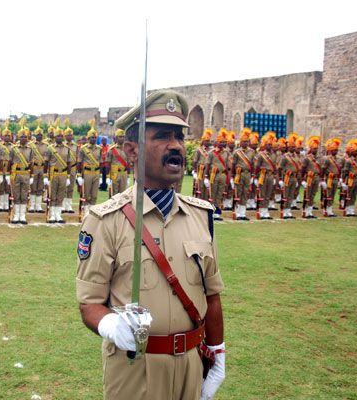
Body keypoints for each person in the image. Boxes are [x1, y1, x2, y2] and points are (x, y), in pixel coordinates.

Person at [76, 90, 225, 400]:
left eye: (180, 137)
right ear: (132, 150)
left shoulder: (201, 215)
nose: (175, 146)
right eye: (162, 137)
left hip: (191, 366)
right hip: (135, 370)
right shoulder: (106, 221)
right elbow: (89, 303)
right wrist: (111, 326)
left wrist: (218, 352)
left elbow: (212, 295)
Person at [204, 128, 232, 220]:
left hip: (223, 175)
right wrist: (206, 177)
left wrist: (229, 177)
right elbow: (207, 165)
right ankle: (211, 212)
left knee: (220, 194)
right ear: (217, 142)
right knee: (213, 194)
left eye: (225, 142)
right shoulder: (212, 153)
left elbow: (228, 166)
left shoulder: (227, 153)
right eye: (222, 142)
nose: (224, 144)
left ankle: (217, 213)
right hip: (213, 175)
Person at [9, 123, 34, 224]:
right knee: (16, 194)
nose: (23, 138)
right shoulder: (14, 148)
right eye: (22, 136)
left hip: (26, 173)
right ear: (19, 137)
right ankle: (16, 215)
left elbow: (32, 163)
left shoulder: (30, 149)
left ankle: (22, 215)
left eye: (25, 136)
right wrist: (8, 175)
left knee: (24, 195)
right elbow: (10, 162)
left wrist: (31, 175)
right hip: (16, 173)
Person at [45, 129, 71, 223]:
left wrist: (68, 176)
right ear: (55, 137)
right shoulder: (50, 148)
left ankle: (58, 214)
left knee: (61, 194)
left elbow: (68, 163)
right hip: (53, 173)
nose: (59, 137)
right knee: (53, 194)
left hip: (63, 174)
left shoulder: (67, 148)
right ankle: (52, 215)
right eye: (57, 136)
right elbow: (46, 163)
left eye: (60, 136)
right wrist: (46, 176)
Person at [77, 120, 103, 216]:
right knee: (87, 194)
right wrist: (79, 175)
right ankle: (87, 211)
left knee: (94, 194)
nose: (94, 139)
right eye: (92, 137)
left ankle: (92, 210)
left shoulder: (99, 149)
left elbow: (101, 162)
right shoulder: (83, 149)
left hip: (96, 173)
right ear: (88, 138)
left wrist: (101, 176)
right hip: (87, 172)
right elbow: (79, 162)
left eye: (95, 137)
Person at [253, 131, 277, 220]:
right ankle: (261, 211)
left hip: (270, 176)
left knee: (268, 194)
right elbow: (257, 167)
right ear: (265, 145)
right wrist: (255, 177)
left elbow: (274, 167)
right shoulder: (261, 155)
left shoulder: (274, 155)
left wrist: (274, 177)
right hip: (263, 175)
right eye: (268, 144)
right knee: (262, 194)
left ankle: (265, 211)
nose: (270, 146)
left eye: (271, 144)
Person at [232, 128, 254, 220]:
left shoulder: (252, 152)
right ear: (240, 142)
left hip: (247, 174)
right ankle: (237, 213)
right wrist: (232, 177)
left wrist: (252, 176)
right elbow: (233, 165)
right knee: (238, 193)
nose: (245, 143)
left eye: (247, 141)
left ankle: (243, 213)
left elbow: (253, 164)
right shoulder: (237, 152)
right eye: (243, 141)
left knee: (246, 193)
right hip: (239, 174)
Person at [277, 134, 301, 219]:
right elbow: (279, 168)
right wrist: (280, 179)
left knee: (291, 195)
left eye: (294, 147)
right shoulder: (285, 157)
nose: (294, 148)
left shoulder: (296, 157)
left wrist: (298, 180)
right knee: (285, 195)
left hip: (294, 177)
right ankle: (284, 211)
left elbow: (298, 168)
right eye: (292, 147)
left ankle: (288, 211)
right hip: (287, 177)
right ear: (289, 148)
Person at [299, 136, 322, 219]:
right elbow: (303, 169)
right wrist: (302, 180)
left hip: (316, 177)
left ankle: (310, 211)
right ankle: (305, 211)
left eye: (316, 149)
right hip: (309, 177)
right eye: (314, 149)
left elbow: (320, 169)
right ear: (310, 149)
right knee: (307, 195)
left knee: (313, 194)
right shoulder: (307, 158)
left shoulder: (318, 158)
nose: (315, 150)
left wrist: (320, 180)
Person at [29, 121, 48, 213]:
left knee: (40, 187)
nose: (39, 136)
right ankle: (32, 206)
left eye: (41, 135)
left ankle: (38, 206)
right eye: (38, 135)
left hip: (42, 167)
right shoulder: (31, 145)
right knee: (33, 186)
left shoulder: (46, 145)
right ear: (35, 135)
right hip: (34, 167)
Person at [341, 139, 357, 216]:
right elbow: (345, 171)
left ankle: (351, 210)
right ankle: (347, 210)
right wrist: (343, 181)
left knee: (354, 195)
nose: (356, 153)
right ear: (351, 152)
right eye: (355, 151)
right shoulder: (348, 161)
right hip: (350, 179)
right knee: (348, 195)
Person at [106, 129, 130, 196]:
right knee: (114, 193)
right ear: (116, 138)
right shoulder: (112, 149)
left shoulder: (127, 149)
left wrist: (128, 176)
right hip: (115, 173)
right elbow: (108, 164)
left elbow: (128, 163)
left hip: (124, 173)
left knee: (123, 194)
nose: (122, 138)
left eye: (123, 137)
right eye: (120, 137)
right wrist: (108, 177)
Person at [192, 128, 212, 200]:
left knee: (207, 187)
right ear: (203, 141)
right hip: (200, 170)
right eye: (206, 141)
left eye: (208, 141)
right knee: (199, 186)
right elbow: (195, 161)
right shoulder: (199, 149)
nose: (207, 142)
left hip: (209, 171)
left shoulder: (212, 150)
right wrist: (194, 171)